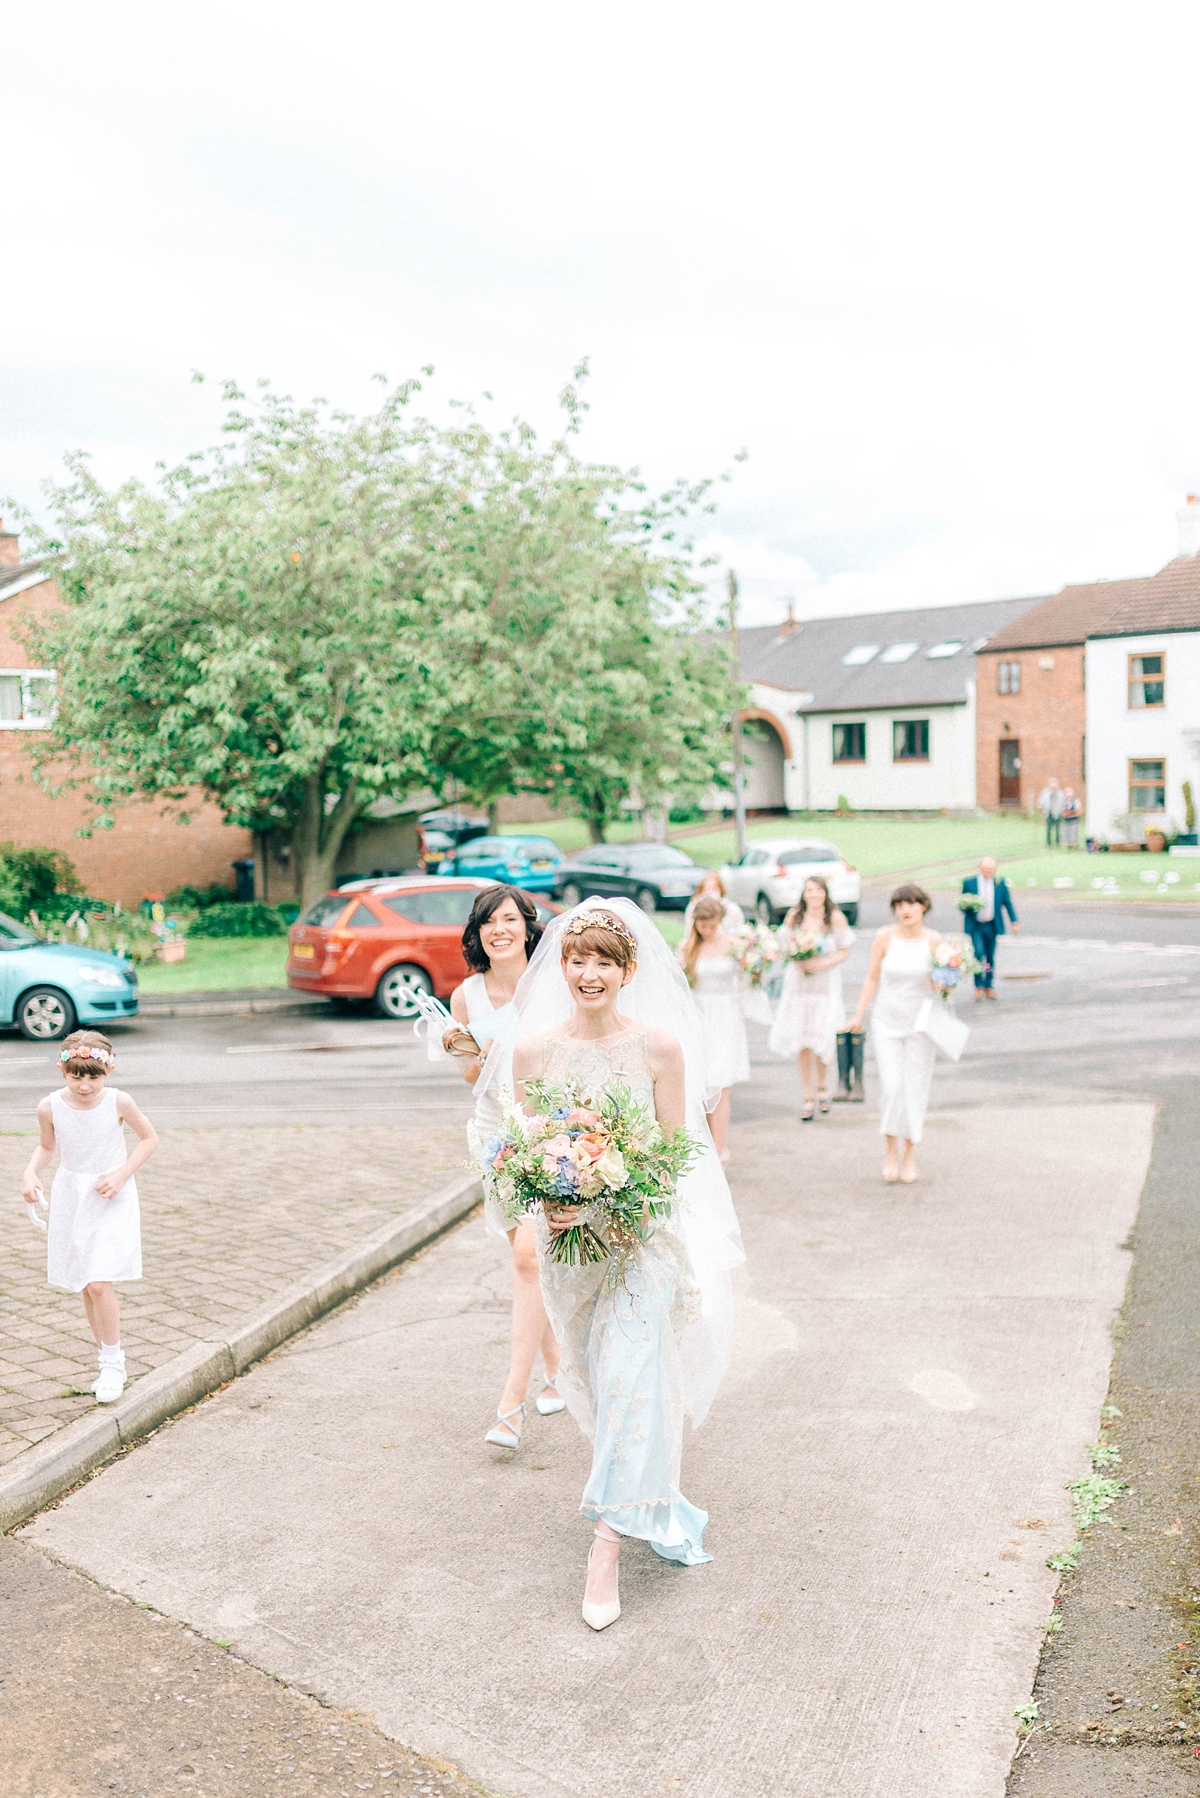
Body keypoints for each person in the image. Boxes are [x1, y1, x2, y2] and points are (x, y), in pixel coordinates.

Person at [491, 900, 744, 1630]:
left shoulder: (660, 1048)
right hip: (574, 1252)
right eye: (578, 959)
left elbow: (673, 1160)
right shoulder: (533, 1054)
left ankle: (604, 1548)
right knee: (609, 1388)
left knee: (633, 1372)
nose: (589, 973)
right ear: (561, 967)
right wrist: (552, 1201)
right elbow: (527, 1153)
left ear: (629, 971)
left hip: (641, 1244)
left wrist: (617, 1192)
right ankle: (651, 1495)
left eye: (605, 961)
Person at [447, 885, 561, 1450]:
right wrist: (468, 1055)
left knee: (527, 1258)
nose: (500, 930)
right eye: (489, 922)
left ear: (527, 927)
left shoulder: (555, 985)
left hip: (548, 1134)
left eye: (510, 920)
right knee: (527, 1260)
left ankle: (509, 1407)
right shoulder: (466, 995)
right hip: (496, 1137)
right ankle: (557, 1369)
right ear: (479, 932)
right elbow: (471, 1078)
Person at [21, 1031, 158, 1403]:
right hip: (72, 1195)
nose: (84, 1085)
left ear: (108, 1070)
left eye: (93, 1076)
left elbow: (149, 1139)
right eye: (76, 1076)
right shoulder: (49, 1107)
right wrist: (31, 1172)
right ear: (62, 1070)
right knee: (84, 1283)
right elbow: (48, 1146)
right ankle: (105, 1359)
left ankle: (114, 1364)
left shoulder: (119, 1102)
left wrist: (120, 1174)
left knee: (99, 1282)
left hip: (110, 1194)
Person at [846, 884, 940, 1184]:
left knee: (915, 1087)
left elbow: (940, 987)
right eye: (899, 905)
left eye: (911, 904)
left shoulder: (935, 941)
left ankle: (909, 1153)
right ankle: (890, 1150)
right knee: (891, 1086)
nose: (905, 910)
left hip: (919, 1026)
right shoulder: (884, 937)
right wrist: (858, 1015)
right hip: (886, 1020)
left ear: (923, 906)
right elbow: (872, 978)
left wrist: (950, 977)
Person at [767, 876, 854, 1120]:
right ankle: (807, 1095)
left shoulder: (835, 918)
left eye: (818, 890)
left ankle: (823, 1086)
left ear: (825, 893)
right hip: (799, 983)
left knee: (822, 1037)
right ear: (804, 894)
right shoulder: (795, 916)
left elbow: (845, 951)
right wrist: (800, 959)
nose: (814, 894)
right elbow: (784, 945)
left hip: (825, 983)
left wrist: (821, 964)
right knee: (802, 1040)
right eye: (809, 890)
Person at [676, 895, 749, 1159]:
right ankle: (706, 1147)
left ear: (719, 921)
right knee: (701, 1084)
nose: (706, 931)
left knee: (720, 1083)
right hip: (698, 1017)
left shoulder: (734, 946)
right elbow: (679, 985)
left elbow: (746, 980)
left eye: (710, 925)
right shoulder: (687, 947)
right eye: (701, 926)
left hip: (725, 1016)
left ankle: (719, 1149)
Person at [960, 857, 1019, 1000]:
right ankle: (979, 985)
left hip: (992, 925)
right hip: (976, 925)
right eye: (986, 869)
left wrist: (1014, 921)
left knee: (990, 957)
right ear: (980, 868)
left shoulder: (1000, 883)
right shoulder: (970, 883)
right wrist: (969, 905)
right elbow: (963, 903)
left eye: (991, 870)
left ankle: (989, 985)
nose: (988, 872)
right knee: (979, 955)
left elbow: (1007, 903)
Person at [681, 869, 745, 935]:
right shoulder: (693, 907)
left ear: (721, 890)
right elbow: (688, 932)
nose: (711, 892)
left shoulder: (733, 909)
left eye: (714, 888)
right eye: (707, 888)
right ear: (701, 891)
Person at [1037, 776, 1064, 846]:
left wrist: (1062, 810)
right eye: (1052, 785)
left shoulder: (1060, 793)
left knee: (1058, 828)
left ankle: (1058, 842)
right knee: (1048, 828)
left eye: (1055, 785)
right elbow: (1040, 802)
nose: (1053, 787)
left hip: (1058, 813)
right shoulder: (1045, 793)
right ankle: (1048, 842)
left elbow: (1063, 803)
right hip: (1048, 812)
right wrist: (1041, 809)